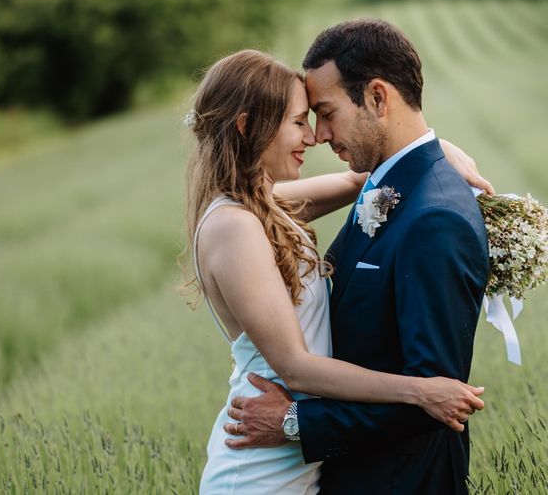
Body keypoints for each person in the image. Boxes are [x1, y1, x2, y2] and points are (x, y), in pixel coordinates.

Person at [187, 48, 491, 495]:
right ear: (247, 125)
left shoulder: (261, 207)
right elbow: (296, 368)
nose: (312, 137)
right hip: (261, 467)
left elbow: (360, 182)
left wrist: (434, 147)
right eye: (298, 122)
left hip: (300, 458)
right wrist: (420, 391)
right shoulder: (234, 225)